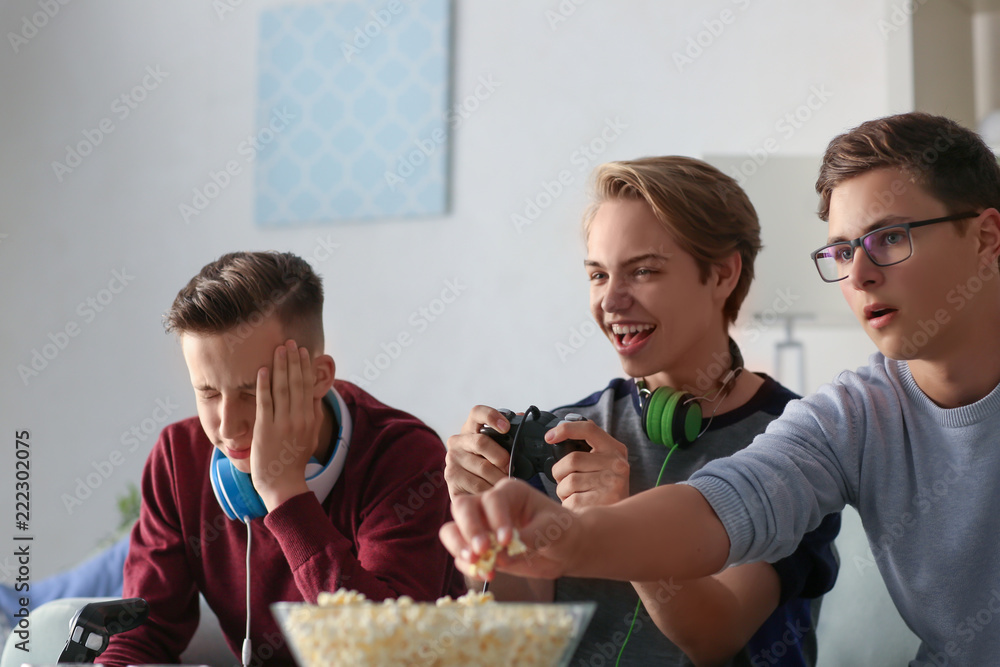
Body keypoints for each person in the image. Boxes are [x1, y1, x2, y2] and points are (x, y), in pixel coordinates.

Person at [441, 112, 1000, 666]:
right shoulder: (849, 416)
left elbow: (717, 634)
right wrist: (529, 531)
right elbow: (722, 505)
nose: (857, 276)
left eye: (890, 238)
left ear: (986, 237)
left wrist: (596, 525)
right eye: (842, 251)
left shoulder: (790, 416)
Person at [444, 157, 841, 665]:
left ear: (722, 275)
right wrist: (483, 531)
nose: (610, 301)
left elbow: (716, 635)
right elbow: (524, 620)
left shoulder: (802, 443)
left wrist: (615, 521)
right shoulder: (566, 433)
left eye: (644, 271)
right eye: (597, 275)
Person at [99, 251, 462, 667]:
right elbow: (142, 636)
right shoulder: (178, 458)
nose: (228, 426)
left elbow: (388, 652)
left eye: (253, 392)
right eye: (209, 393)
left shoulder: (405, 458)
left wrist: (285, 494)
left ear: (318, 378)